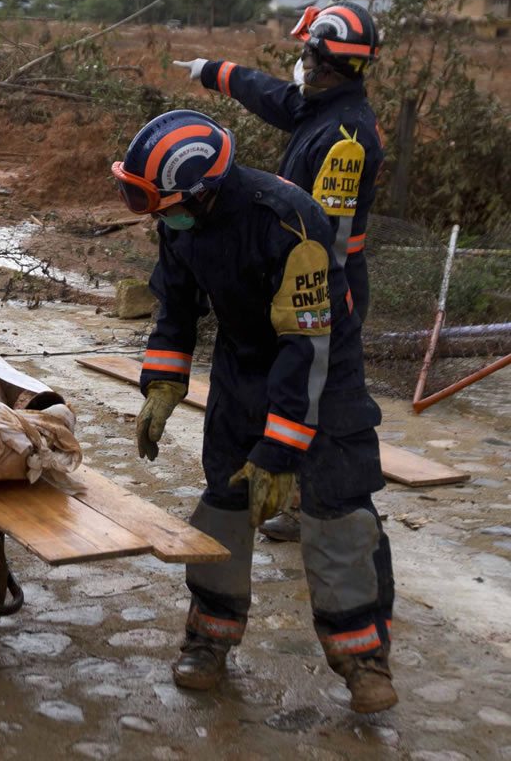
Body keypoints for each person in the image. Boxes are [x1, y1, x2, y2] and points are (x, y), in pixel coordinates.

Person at [114, 109, 395, 713]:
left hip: (323, 368)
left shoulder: (290, 224)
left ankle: (363, 660)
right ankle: (209, 639)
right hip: (243, 366)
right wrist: (163, 384)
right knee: (223, 506)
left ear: (201, 191)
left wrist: (280, 450)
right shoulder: (181, 218)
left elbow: (307, 348)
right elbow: (177, 305)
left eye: (160, 202)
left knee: (336, 512)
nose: (157, 215)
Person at [175, 1, 384, 543]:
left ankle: (317, 504)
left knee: (315, 385)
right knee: (288, 379)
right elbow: (274, 96)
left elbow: (326, 242)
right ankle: (296, 492)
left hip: (322, 278)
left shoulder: (346, 140)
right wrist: (216, 74)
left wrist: (303, 296)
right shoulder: (319, 108)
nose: (301, 63)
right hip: (291, 273)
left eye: (307, 53)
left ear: (325, 62)